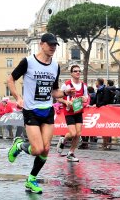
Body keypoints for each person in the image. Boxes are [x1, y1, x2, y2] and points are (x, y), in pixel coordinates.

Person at [6, 33, 75, 194]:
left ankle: (31, 179)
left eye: (55, 45)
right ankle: (19, 145)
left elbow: (54, 91)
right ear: (41, 44)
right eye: (50, 44)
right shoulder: (28, 62)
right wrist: (18, 97)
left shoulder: (55, 66)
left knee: (45, 149)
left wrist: (65, 93)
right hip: (31, 111)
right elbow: (10, 79)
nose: (52, 47)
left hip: (48, 111)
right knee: (36, 149)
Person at [56, 65, 89, 162]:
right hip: (69, 111)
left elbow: (86, 98)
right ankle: (63, 139)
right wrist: (66, 102)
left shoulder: (84, 85)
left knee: (78, 134)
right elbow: (58, 97)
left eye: (79, 71)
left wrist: (84, 99)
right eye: (75, 71)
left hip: (78, 111)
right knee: (73, 133)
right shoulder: (66, 84)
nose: (78, 72)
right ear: (71, 73)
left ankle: (71, 153)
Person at [93, 78, 114, 149]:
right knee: (102, 128)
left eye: (96, 82)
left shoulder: (105, 89)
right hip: (100, 111)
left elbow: (106, 100)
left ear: (98, 83)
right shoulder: (99, 90)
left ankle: (108, 143)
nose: (95, 83)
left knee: (106, 127)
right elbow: (96, 99)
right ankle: (104, 143)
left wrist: (98, 105)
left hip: (106, 111)